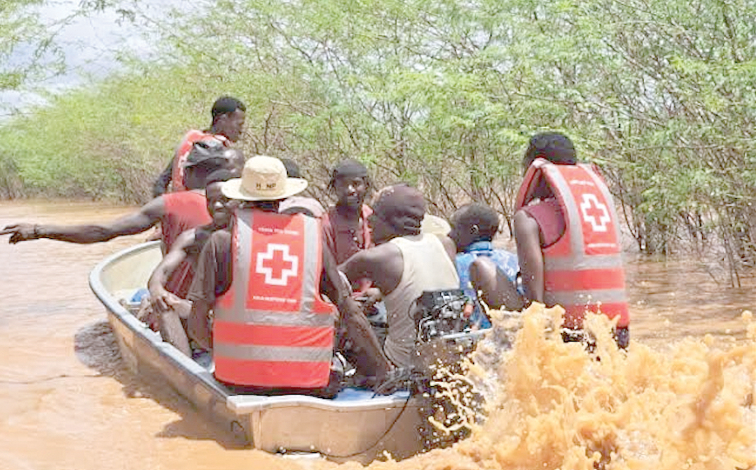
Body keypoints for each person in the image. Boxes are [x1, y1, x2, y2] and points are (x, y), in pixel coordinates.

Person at [183, 156, 389, 393]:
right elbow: (351, 313)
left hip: (239, 382)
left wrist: (226, 353)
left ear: (240, 197)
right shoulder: (312, 239)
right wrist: (384, 369)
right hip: (309, 383)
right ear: (283, 197)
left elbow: (196, 324)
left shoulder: (221, 242)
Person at [513, 132, 630, 348]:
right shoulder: (599, 210)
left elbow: (534, 300)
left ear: (535, 168)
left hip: (570, 336)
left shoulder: (529, 219)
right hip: (618, 333)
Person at [1, 150, 229, 252]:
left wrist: (39, 230)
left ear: (187, 173)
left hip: (180, 302)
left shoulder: (168, 203)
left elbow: (103, 231)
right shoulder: (239, 205)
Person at [340, 184, 460, 369]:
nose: (369, 220)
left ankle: (377, 374)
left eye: (375, 214)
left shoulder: (378, 257)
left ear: (393, 220)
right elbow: (425, 284)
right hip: (447, 360)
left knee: (346, 325)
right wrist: (380, 293)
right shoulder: (445, 244)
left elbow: (325, 280)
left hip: (402, 364)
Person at [145, 169, 239, 355]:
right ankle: (186, 368)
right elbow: (161, 273)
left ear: (238, 201)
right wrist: (157, 290)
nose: (217, 205)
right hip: (202, 312)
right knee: (166, 304)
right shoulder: (193, 238)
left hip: (236, 314)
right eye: (210, 201)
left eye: (224, 200)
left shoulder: (250, 237)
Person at [152, 96, 246, 196]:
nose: (241, 130)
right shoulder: (219, 149)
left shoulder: (191, 139)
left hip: (176, 202)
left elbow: (160, 184)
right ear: (223, 120)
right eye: (239, 124)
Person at [448, 203, 523, 328]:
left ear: (472, 231)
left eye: (454, 228)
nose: (450, 234)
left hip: (477, 337)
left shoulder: (456, 264)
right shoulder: (513, 259)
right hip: (515, 330)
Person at [322, 159, 373, 265]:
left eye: (356, 184)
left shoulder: (373, 218)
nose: (350, 190)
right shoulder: (326, 225)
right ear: (334, 188)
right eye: (343, 185)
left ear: (366, 186)